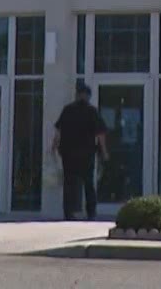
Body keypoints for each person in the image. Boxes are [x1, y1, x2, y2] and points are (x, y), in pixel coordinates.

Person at [52, 80, 109, 220]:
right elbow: (100, 133)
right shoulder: (91, 111)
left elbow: (58, 131)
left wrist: (53, 147)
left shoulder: (68, 110)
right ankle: (91, 213)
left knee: (69, 184)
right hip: (86, 153)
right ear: (88, 96)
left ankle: (68, 213)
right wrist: (104, 152)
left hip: (68, 153)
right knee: (88, 183)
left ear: (77, 95)